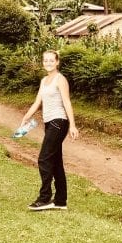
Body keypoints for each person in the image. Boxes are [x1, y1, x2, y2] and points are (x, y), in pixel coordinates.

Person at [18, 50, 79, 211]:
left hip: (59, 122)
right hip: (49, 123)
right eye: (46, 60)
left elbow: (67, 102)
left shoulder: (61, 80)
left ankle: (45, 198)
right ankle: (60, 200)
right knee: (56, 161)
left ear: (57, 62)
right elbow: (38, 101)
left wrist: (72, 125)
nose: (48, 63)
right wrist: (26, 117)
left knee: (44, 159)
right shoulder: (44, 80)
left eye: (51, 60)